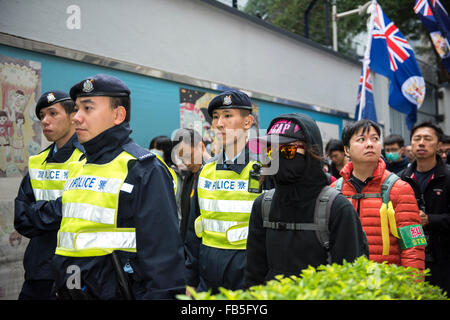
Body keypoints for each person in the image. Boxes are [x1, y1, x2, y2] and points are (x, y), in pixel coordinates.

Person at [52, 74, 185, 299]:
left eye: (87, 108)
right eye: (76, 109)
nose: (76, 117)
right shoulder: (79, 166)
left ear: (118, 115)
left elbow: (164, 264)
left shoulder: (144, 169)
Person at [245, 113, 368, 287]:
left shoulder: (337, 208)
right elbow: (253, 277)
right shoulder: (263, 205)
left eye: (288, 150)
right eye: (271, 150)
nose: (277, 158)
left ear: (312, 153)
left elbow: (351, 282)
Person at [184, 89, 262, 293]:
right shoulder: (206, 171)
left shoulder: (263, 170)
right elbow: (194, 231)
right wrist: (190, 280)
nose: (219, 124)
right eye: (216, 117)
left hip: (248, 279)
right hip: (207, 278)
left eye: (228, 116)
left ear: (247, 122)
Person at [14, 91, 84, 300]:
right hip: (39, 268)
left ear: (73, 116)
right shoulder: (38, 162)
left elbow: (81, 208)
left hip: (76, 267)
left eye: (53, 113)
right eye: (42, 115)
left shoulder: (87, 159)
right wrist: (58, 211)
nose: (45, 121)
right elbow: (21, 219)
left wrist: (39, 211)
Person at [330, 119, 425, 271]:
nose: (370, 144)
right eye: (361, 139)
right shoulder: (335, 190)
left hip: (386, 284)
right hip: (346, 284)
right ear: (347, 150)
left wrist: (411, 289)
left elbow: (413, 246)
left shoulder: (400, 189)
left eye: (375, 139)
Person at [398, 121, 450, 294]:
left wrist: (430, 220)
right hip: (411, 256)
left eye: (427, 139)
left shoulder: (448, 177)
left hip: (444, 258)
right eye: (416, 139)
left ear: (440, 145)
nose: (421, 143)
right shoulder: (401, 179)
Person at [172, 128, 210, 242]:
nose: (186, 162)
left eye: (189, 155)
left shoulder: (215, 176)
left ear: (201, 147)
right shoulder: (189, 176)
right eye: (182, 158)